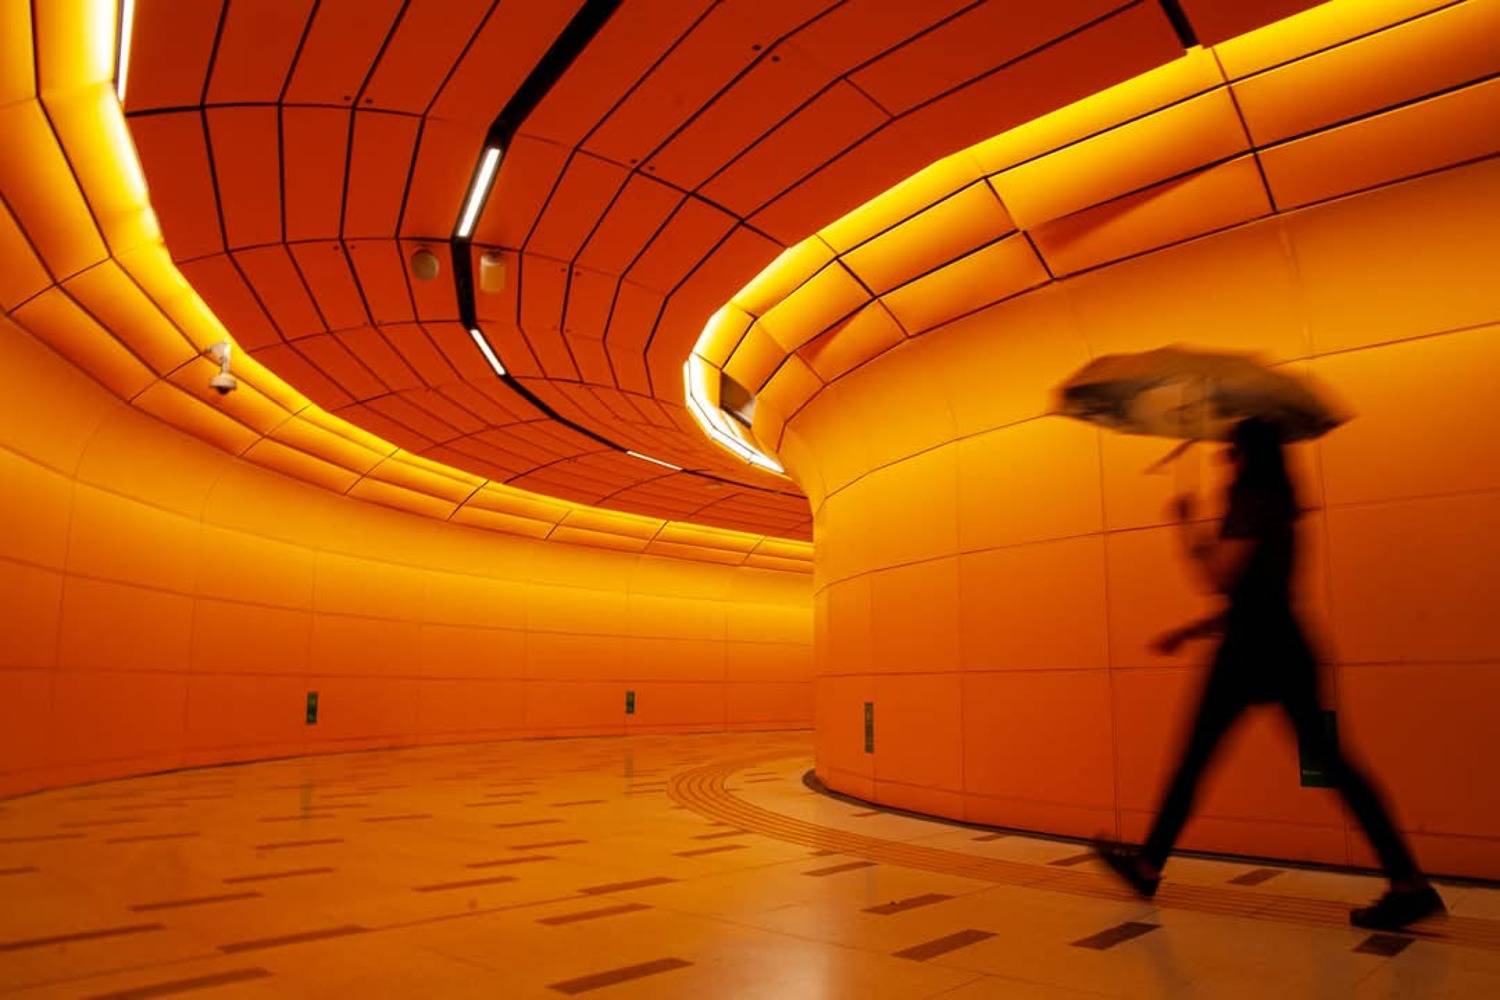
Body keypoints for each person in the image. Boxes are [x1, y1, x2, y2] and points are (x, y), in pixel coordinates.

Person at [1095, 417, 1443, 931]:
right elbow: (1257, 592)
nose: (1222, 460)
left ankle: (1148, 866)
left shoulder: (1253, 501)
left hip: (1253, 653)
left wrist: (1186, 526)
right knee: (1331, 766)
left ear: (1248, 456)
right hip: (1278, 646)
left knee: (1199, 761)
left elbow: (1218, 577)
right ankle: (1408, 881)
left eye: (1231, 451)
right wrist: (1190, 632)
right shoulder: (1279, 502)